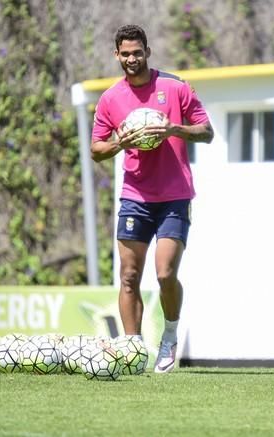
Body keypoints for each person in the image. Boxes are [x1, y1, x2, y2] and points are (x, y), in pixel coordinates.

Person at [90, 24, 214, 373]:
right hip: (135, 197)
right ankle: (132, 350)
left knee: (164, 274)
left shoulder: (175, 87)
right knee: (129, 276)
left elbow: (206, 131)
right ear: (117, 55)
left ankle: (170, 336)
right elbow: (96, 149)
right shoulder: (111, 98)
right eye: (125, 54)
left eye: (137, 52)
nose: (132, 59)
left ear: (148, 50)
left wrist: (175, 128)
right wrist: (120, 144)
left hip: (174, 196)